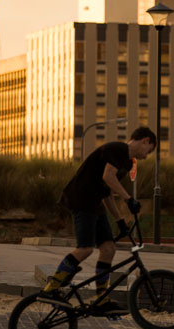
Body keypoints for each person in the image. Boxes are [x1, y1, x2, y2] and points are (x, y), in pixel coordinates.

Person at [38, 126, 156, 316]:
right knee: (85, 248)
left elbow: (107, 192)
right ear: (146, 141)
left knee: (108, 248)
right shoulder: (117, 149)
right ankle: (51, 289)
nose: (145, 156)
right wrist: (128, 199)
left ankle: (101, 298)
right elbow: (107, 176)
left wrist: (119, 220)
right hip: (81, 198)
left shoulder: (125, 163)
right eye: (148, 152)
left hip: (95, 202)